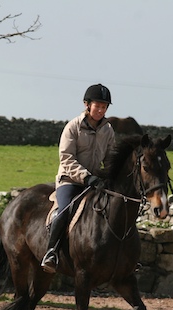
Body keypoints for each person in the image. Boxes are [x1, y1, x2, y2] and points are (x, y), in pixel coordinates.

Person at [40, 83, 116, 273]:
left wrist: (110, 177)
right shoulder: (73, 127)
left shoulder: (108, 130)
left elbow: (110, 159)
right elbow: (66, 158)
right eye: (97, 106)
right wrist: (86, 177)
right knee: (64, 210)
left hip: (94, 182)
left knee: (115, 210)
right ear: (87, 105)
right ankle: (51, 252)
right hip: (70, 181)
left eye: (104, 107)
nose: (100, 110)